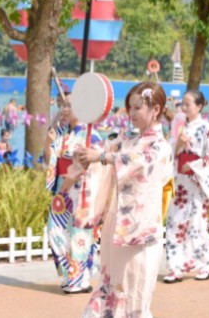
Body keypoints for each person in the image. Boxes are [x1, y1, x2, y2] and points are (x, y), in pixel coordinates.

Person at [72, 81, 174, 317]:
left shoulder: (160, 147)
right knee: (108, 287)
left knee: (134, 299)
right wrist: (86, 154)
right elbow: (105, 152)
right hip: (115, 225)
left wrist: (101, 156)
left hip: (140, 233)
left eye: (138, 107)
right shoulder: (125, 140)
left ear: (155, 109)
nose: (132, 113)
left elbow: (132, 160)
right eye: (130, 107)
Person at [45, 91, 102, 294]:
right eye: (64, 105)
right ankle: (74, 274)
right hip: (62, 188)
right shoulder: (63, 135)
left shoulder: (91, 135)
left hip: (79, 190)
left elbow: (87, 165)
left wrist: (68, 182)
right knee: (55, 231)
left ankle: (79, 279)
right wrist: (48, 141)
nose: (65, 109)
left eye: (69, 105)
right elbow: (50, 160)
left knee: (80, 233)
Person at [164, 90, 209, 283]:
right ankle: (174, 268)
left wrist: (195, 165)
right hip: (181, 181)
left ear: (199, 106)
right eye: (183, 103)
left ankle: (202, 266)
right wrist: (178, 144)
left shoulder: (207, 128)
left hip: (197, 183)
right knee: (174, 223)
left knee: (197, 226)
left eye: (188, 104)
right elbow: (168, 153)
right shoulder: (179, 126)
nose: (184, 107)